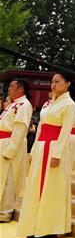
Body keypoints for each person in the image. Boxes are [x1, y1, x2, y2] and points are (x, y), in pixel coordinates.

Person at [16, 72, 75, 238]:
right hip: (42, 146)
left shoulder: (69, 104)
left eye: (57, 82)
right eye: (52, 82)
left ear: (67, 84)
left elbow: (65, 131)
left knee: (52, 187)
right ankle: (33, 225)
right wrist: (34, 149)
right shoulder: (48, 103)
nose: (53, 84)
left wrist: (57, 154)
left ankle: (48, 227)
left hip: (55, 148)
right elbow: (41, 127)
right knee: (36, 186)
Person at [0, 78, 34, 223]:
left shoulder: (24, 105)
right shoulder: (13, 104)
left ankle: (5, 212)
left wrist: (11, 150)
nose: (9, 88)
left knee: (9, 178)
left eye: (12, 86)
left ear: (20, 89)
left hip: (10, 143)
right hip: (3, 141)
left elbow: (20, 129)